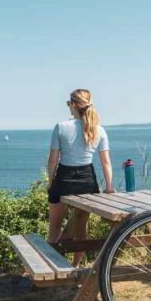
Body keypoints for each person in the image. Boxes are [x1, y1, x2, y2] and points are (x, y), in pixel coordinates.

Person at [47, 89, 113, 265]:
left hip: (63, 178)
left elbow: (52, 161)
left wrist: (50, 182)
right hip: (86, 180)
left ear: (74, 105)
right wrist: (109, 187)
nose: (69, 107)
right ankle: (75, 266)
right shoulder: (98, 129)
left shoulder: (61, 127)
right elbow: (106, 162)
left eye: (69, 104)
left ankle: (51, 265)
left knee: (54, 228)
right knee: (80, 229)